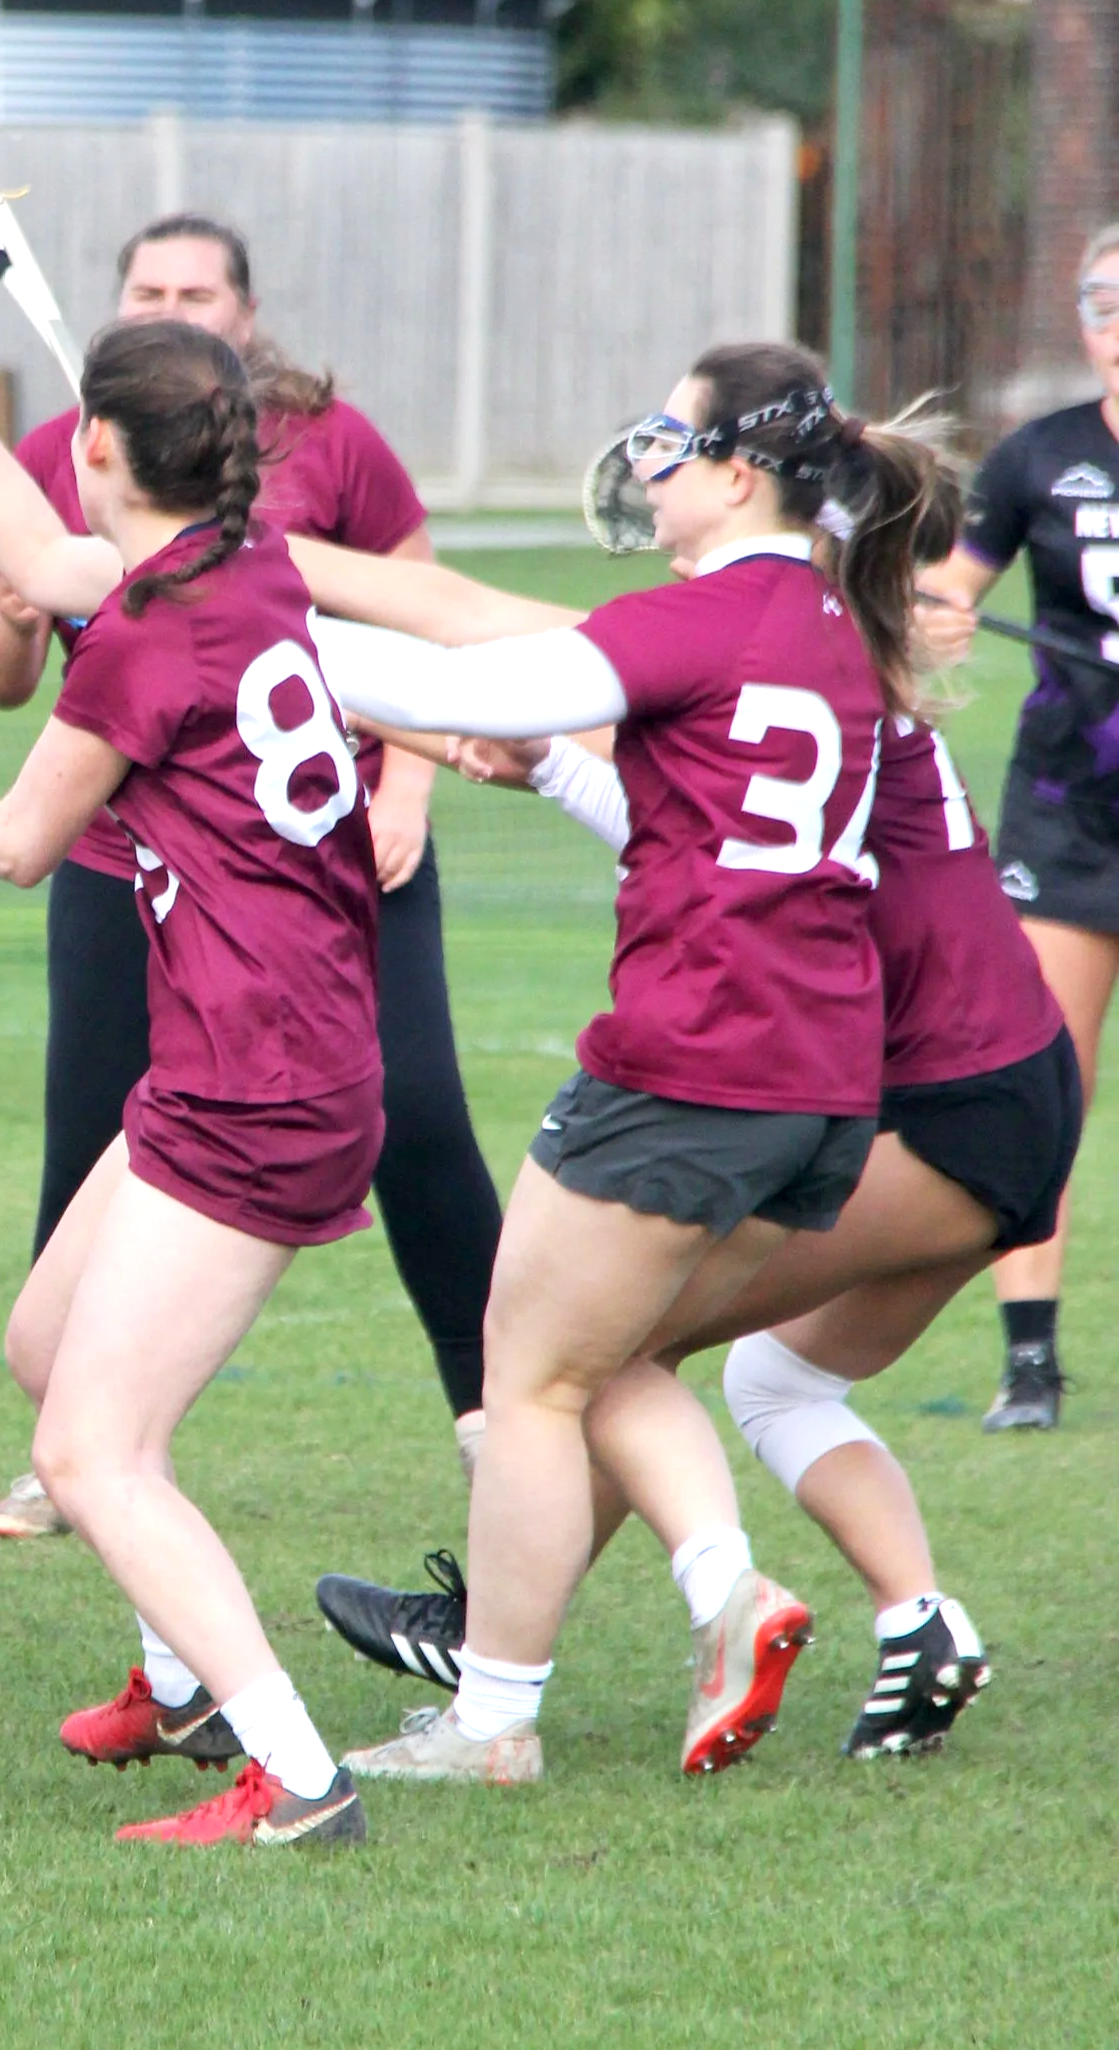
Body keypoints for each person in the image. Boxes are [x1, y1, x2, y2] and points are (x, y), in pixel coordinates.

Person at [287, 344, 954, 1784]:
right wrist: (556, 769)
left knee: (528, 1378)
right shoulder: (842, 624)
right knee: (613, 1352)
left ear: (739, 470)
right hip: (820, 1091)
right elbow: (712, 823)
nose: (650, 462)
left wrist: (230, 614)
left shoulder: (702, 620)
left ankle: (498, 1723)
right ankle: (723, 1593)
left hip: (691, 1062)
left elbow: (449, 671)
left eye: (673, 437)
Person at [0, 303, 381, 1849]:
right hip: (263, 1048)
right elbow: (52, 558)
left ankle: (298, 1776)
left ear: (108, 455)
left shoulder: (145, 639)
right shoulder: (235, 564)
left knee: (86, 1450)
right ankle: (181, 1683)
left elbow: (14, 843)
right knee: (44, 1343)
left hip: (258, 1077)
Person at [311, 665, 1070, 1760]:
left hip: (943, 1106)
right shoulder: (843, 686)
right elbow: (706, 842)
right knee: (776, 1378)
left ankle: (553, 1628)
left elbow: (713, 856)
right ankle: (919, 1624)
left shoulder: (794, 672)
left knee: (598, 1338)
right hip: (1013, 1094)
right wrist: (552, 759)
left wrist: (323, 643)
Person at [0, 213, 501, 1543]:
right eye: (152, 288)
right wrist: (15, 594)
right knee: (94, 1143)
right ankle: (87, 1442)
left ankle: (501, 1421)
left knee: (412, 1123)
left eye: (201, 290)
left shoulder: (305, 472)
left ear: (248, 316)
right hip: (131, 860)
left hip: (302, 864)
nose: (181, 306)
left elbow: (409, 628)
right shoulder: (81, 465)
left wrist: (418, 776)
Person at [915, 218, 1119, 1430]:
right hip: (1068, 814)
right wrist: (931, 611)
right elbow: (949, 588)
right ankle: (1029, 1363)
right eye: (1101, 298)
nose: (1115, 319)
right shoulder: (1038, 457)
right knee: (1050, 1084)